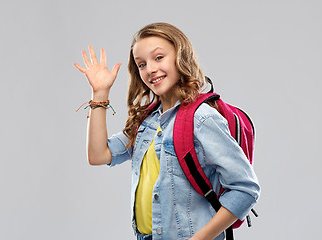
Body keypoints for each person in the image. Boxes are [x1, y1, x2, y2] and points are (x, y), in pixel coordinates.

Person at [74, 22, 260, 240]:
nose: (150, 69)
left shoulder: (202, 118)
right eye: (141, 64)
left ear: (180, 57)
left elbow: (245, 189)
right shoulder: (146, 121)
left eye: (159, 57)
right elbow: (98, 155)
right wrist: (100, 93)